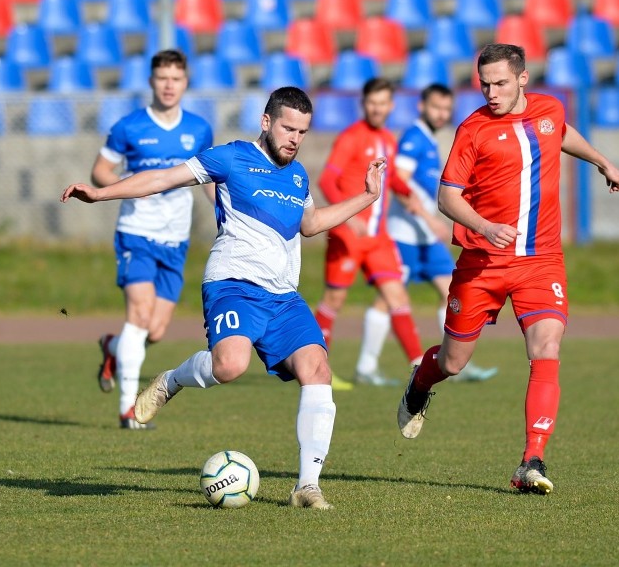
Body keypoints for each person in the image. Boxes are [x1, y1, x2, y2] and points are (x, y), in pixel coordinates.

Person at [62, 86, 386, 510]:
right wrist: (102, 194)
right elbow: (163, 178)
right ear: (266, 122)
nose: (295, 138)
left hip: (283, 295)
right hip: (233, 284)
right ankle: (171, 380)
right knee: (230, 366)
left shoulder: (298, 175)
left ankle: (307, 486)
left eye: (303, 131)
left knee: (318, 369)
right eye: (288, 127)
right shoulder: (230, 157)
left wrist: (368, 197)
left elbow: (310, 224)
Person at [396, 44, 619, 494]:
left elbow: (559, 132)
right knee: (454, 361)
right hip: (482, 264)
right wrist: (484, 226)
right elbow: (447, 197)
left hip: (540, 262)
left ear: (523, 78)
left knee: (546, 346)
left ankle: (531, 460)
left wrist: (603, 162)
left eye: (500, 82)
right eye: (483, 83)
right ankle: (420, 383)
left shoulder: (549, 109)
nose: (490, 91)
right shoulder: (472, 130)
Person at [89, 49, 213, 429]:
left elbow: (208, 178)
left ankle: (112, 348)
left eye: (176, 78)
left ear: (186, 82)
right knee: (139, 315)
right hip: (136, 234)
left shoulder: (199, 129)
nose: (169, 85)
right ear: (151, 82)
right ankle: (129, 410)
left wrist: (226, 214)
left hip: (175, 240)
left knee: (154, 331)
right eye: (162, 78)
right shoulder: (129, 127)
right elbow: (99, 172)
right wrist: (131, 188)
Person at [356, 83, 499, 384]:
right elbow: (399, 179)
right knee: (389, 299)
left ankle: (451, 361)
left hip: (424, 237)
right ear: (421, 106)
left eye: (446, 109)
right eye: (436, 107)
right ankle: (366, 367)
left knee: (453, 291)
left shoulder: (430, 141)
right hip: (405, 235)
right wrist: (429, 218)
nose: (441, 114)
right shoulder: (414, 138)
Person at [314, 78, 425, 388]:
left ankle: (419, 370)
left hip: (378, 240)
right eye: (372, 102)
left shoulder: (389, 139)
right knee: (333, 300)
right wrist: (346, 218)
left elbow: (387, 181)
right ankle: (316, 370)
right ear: (364, 104)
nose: (377, 108)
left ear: (391, 105)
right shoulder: (351, 138)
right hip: (348, 237)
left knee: (397, 296)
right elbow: (326, 181)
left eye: (383, 102)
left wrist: (406, 191)